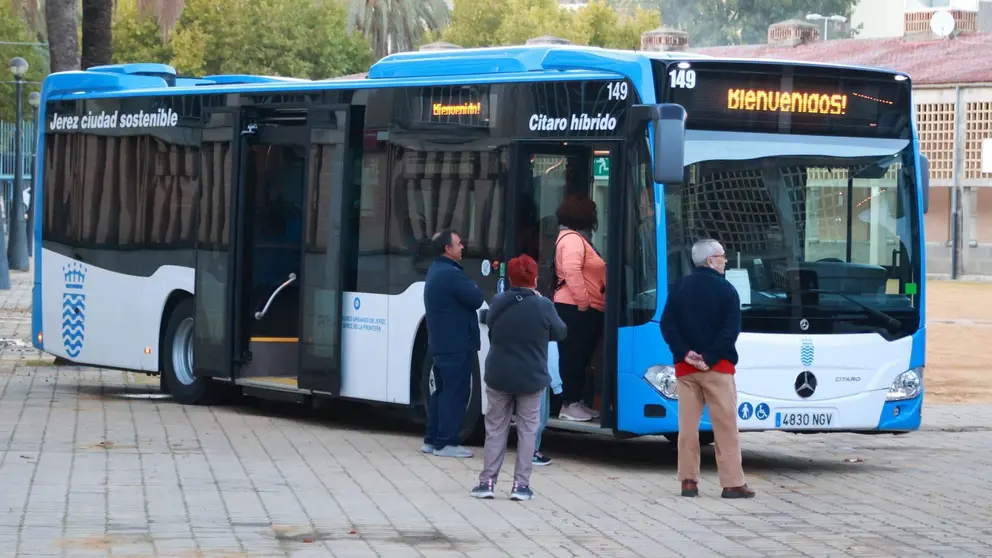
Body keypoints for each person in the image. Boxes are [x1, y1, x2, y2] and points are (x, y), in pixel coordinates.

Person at [660, 238, 755, 499]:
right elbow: (730, 331)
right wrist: (710, 357)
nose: (725, 260)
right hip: (719, 369)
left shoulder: (679, 287)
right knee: (725, 427)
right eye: (722, 256)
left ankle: (688, 481)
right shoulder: (727, 290)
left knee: (687, 428)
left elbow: (667, 325)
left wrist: (685, 353)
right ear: (711, 260)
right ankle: (732, 484)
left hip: (685, 369)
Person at [471, 254, 567, 501]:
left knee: (495, 429)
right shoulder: (543, 305)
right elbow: (560, 332)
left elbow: (491, 326)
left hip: (499, 375)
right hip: (531, 377)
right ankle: (520, 486)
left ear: (511, 278)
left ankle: (487, 482)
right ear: (534, 278)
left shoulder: (499, 301)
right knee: (527, 431)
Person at [422, 229, 485, 459]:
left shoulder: (437, 270)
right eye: (459, 244)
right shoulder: (451, 274)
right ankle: (447, 442)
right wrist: (475, 288)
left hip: (442, 343)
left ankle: (432, 440)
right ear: (447, 249)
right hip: (456, 343)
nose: (462, 247)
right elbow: (476, 298)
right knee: (455, 393)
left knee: (439, 392)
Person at [550, 195, 606, 422]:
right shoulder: (572, 240)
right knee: (574, 356)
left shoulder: (574, 239)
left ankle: (576, 402)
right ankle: (569, 403)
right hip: (576, 308)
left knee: (580, 357)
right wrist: (584, 302)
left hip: (581, 307)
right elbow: (572, 272)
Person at [532, 340, 564, 466]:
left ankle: (531, 451)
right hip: (539, 375)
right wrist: (557, 386)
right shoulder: (547, 323)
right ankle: (531, 452)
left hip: (522, 370)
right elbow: (551, 356)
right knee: (538, 417)